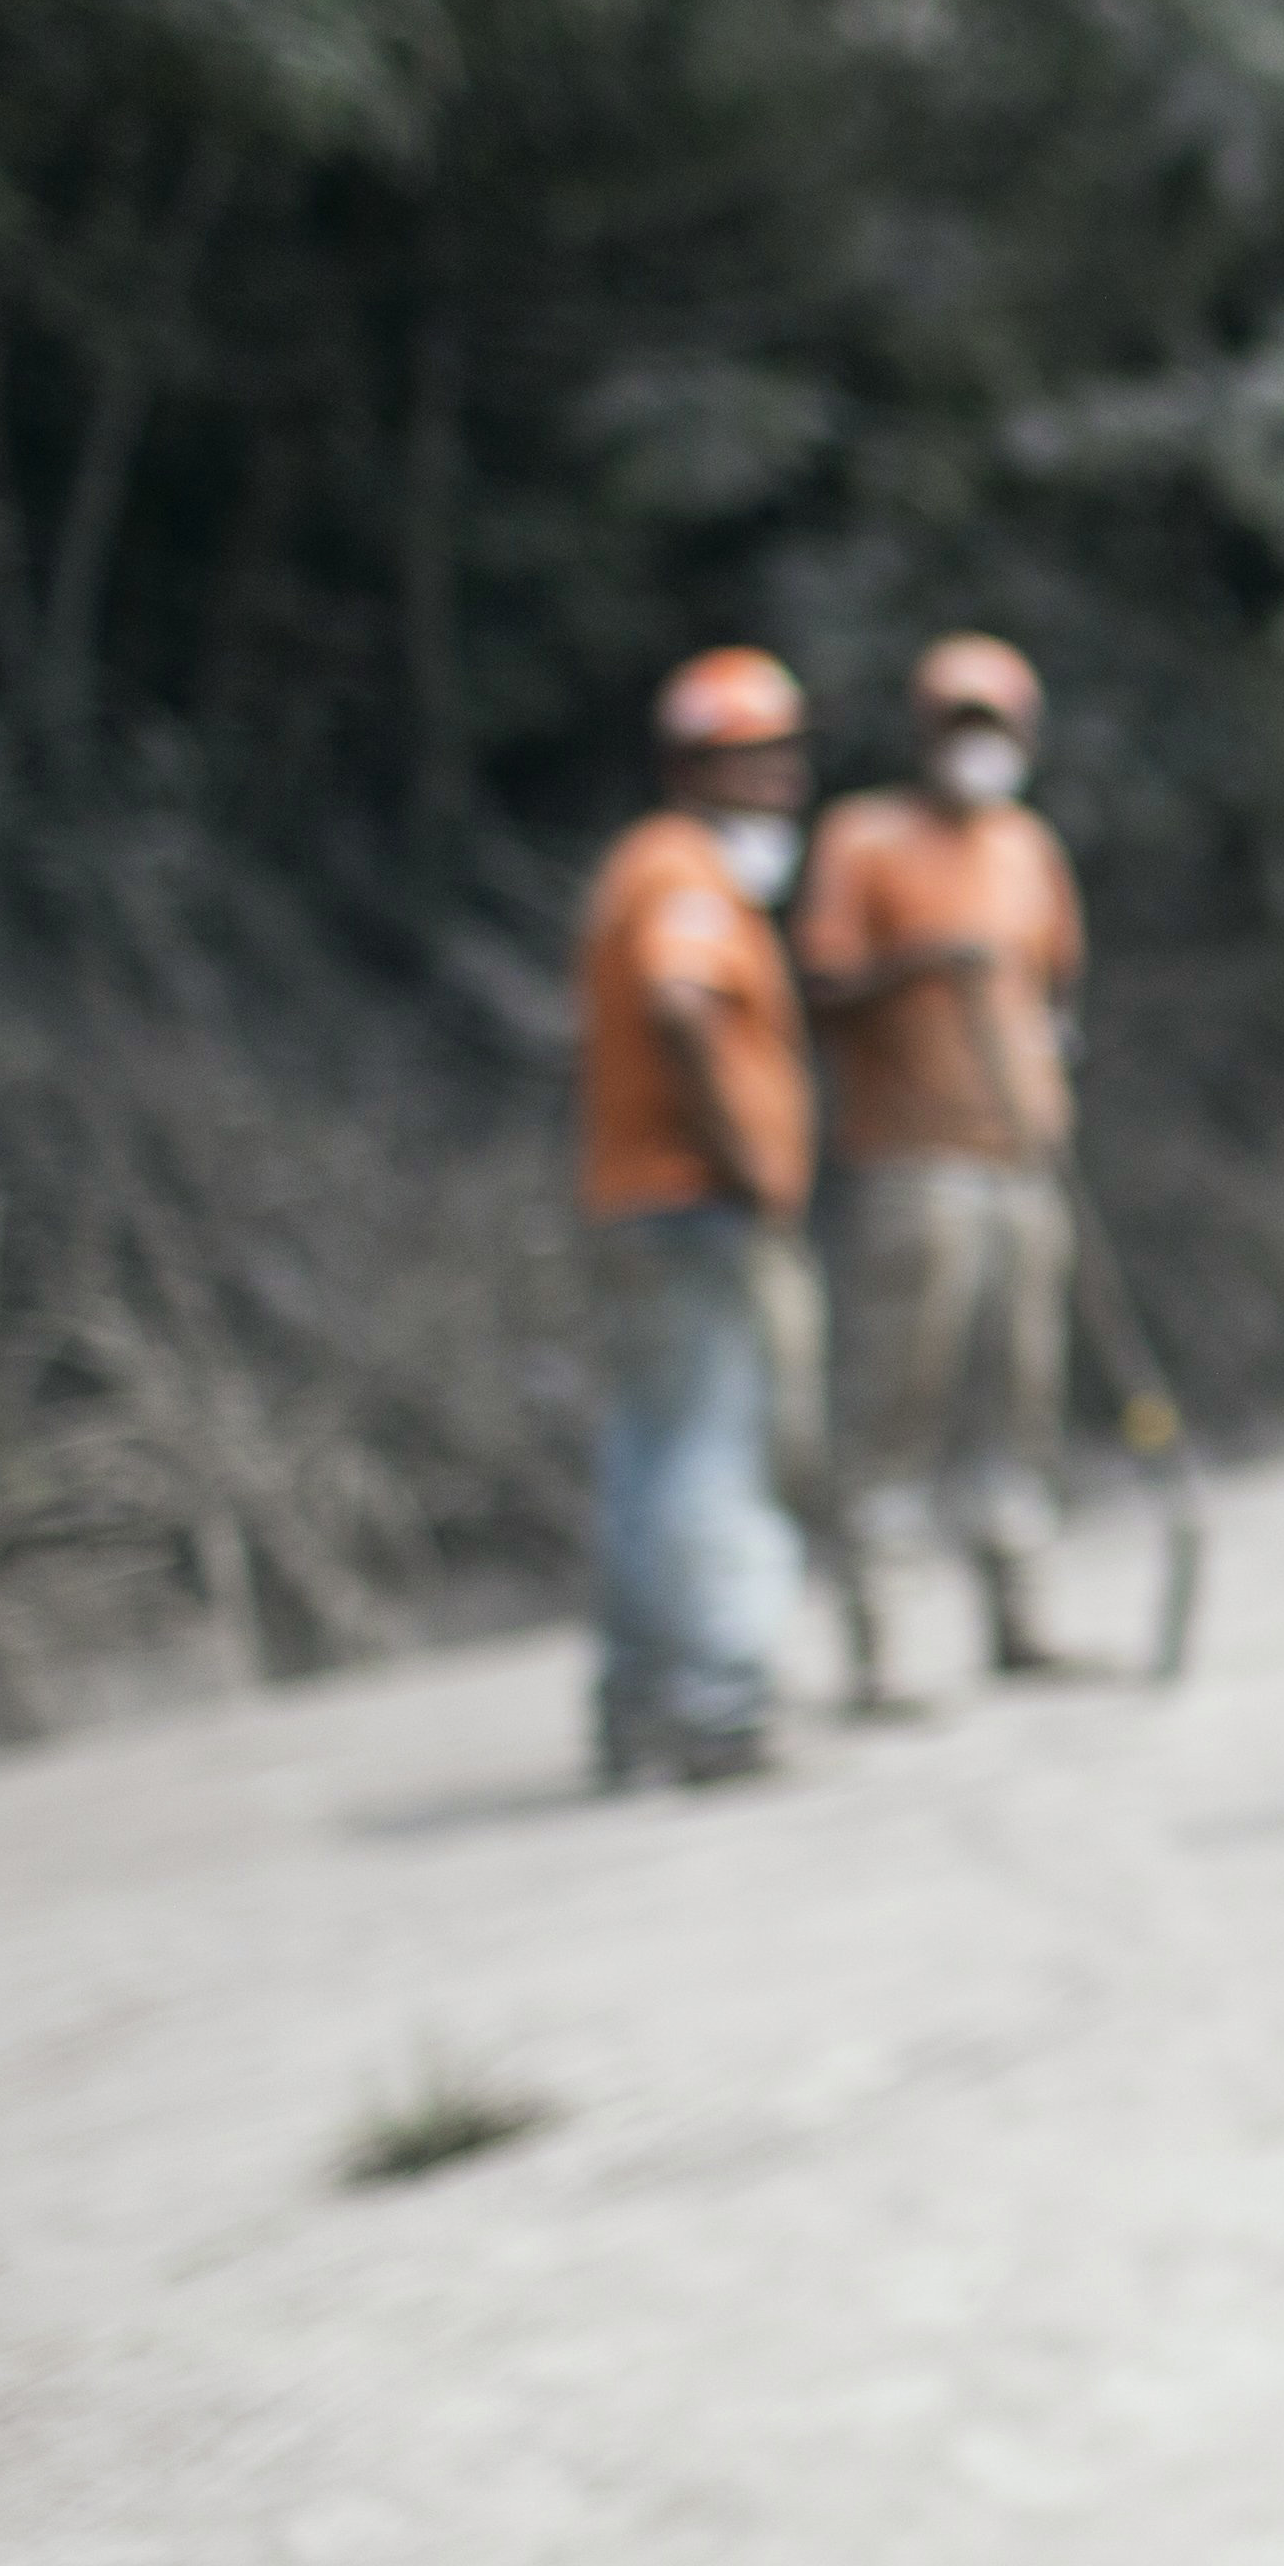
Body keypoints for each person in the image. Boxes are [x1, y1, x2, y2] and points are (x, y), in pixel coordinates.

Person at [793, 633, 1089, 1702]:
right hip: (913, 1165)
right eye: (959, 726)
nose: (978, 747)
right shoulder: (864, 838)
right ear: (925, 734)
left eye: (994, 727)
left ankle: (1022, 1615)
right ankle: (883, 1647)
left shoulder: (1029, 849)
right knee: (898, 1401)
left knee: (1024, 1394)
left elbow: (1057, 994)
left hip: (1024, 1160)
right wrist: (919, 967)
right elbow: (819, 987)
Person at [574, 648, 821, 1787]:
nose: (770, 782)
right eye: (742, 762)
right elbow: (680, 1003)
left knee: (648, 1455)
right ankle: (722, 1706)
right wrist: (748, 1164)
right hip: (695, 1209)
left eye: (779, 756)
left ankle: (635, 1712)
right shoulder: (683, 872)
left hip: (639, 1207)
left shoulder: (655, 863)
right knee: (716, 1453)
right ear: (687, 769)